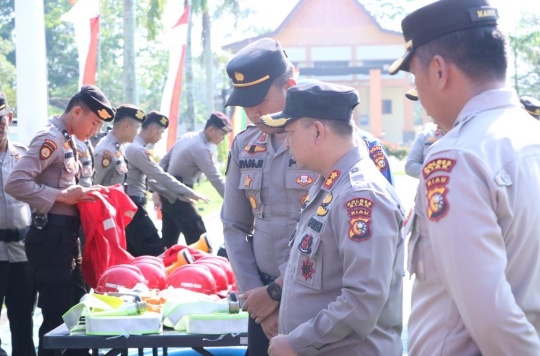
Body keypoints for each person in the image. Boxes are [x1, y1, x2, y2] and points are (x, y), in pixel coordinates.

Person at [389, 0, 540, 354]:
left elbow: (491, 315)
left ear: (439, 71)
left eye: (416, 77)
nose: (420, 96)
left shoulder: (458, 154)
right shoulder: (530, 136)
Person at [262, 82, 404, 355]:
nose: (287, 143)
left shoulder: (360, 195)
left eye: (290, 133)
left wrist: (296, 341)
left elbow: (362, 300)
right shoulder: (331, 184)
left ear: (317, 131)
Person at [221, 38, 318, 355]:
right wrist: (256, 297)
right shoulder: (244, 145)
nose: (251, 111)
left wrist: (277, 292)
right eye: (244, 102)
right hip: (259, 299)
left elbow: (329, 230)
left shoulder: (324, 139)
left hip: (314, 295)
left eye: (259, 99)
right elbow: (234, 225)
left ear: (289, 86)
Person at [5, 84, 114, 356]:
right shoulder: (49, 140)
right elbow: (15, 183)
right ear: (77, 111)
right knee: (57, 317)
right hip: (50, 237)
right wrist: (62, 196)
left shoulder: (67, 140)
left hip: (66, 237)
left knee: (75, 312)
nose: (95, 131)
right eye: (94, 122)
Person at [124, 110, 209, 257]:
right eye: (161, 132)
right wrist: (190, 193)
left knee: (137, 255)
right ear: (153, 129)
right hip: (132, 207)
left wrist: (174, 195)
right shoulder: (137, 149)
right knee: (156, 252)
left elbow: (152, 181)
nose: (161, 137)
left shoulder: (135, 147)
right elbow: (160, 175)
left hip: (130, 206)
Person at [159, 111, 232, 247]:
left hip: (167, 193)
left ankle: (163, 267)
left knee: (169, 242)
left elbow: (163, 163)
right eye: (221, 134)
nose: (222, 139)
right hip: (180, 195)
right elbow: (215, 178)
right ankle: (204, 268)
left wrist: (157, 191)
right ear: (211, 129)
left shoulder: (188, 137)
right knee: (199, 239)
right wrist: (234, 202)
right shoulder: (199, 148)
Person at [0, 92, 36, 356]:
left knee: (23, 320)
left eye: (0, 118)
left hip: (23, 252)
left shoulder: (25, 157)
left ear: (9, 118)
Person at [94, 104, 145, 186]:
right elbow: (92, 187)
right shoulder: (105, 151)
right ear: (127, 126)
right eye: (137, 128)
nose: (138, 133)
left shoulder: (118, 147)